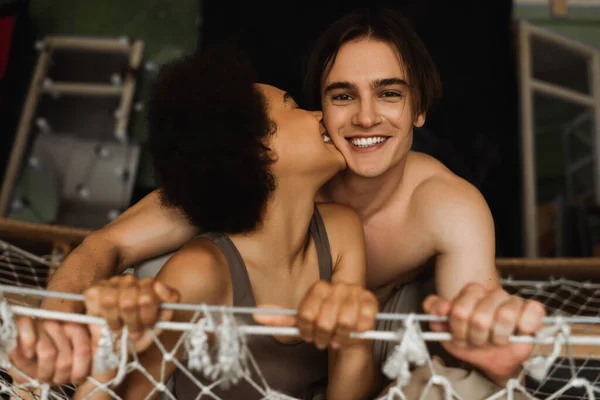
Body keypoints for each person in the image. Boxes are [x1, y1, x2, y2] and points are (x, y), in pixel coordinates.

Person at [18, 7, 544, 396]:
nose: (364, 117)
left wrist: (496, 357)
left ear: (419, 109)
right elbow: (104, 245)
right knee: (156, 271)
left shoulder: (438, 208)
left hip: (369, 360)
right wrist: (57, 333)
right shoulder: (239, 191)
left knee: (476, 385)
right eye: (340, 96)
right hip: (226, 354)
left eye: (389, 93)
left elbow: (477, 327)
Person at [13, 43, 380, 400]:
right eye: (293, 106)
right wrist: (38, 369)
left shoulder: (342, 230)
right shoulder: (199, 271)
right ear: (260, 148)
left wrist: (353, 341)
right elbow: (129, 393)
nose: (320, 114)